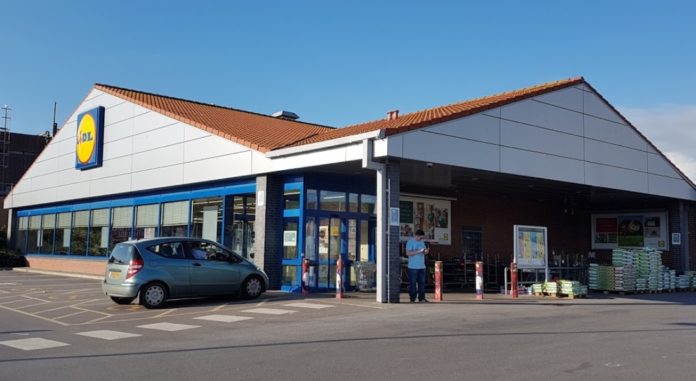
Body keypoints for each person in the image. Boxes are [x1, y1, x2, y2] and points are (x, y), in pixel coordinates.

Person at [405, 229, 429, 303]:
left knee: (422, 283)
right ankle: (412, 299)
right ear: (416, 236)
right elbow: (408, 253)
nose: (421, 239)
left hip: (422, 266)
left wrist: (426, 251)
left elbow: (424, 252)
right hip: (413, 267)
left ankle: (421, 298)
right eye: (420, 237)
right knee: (413, 283)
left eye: (422, 238)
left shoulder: (422, 242)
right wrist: (419, 251)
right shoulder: (410, 242)